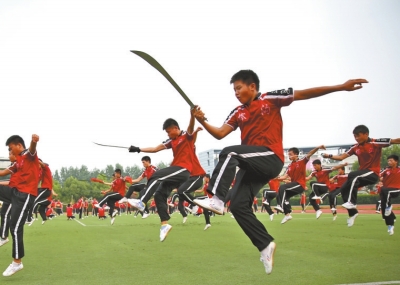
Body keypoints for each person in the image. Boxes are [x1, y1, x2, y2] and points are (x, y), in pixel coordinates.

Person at [191, 69, 367, 274]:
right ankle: (265, 245)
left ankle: (216, 198)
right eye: (234, 90)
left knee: (229, 154)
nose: (236, 93)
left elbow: (304, 93)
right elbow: (220, 133)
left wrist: (341, 87)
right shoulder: (237, 111)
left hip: (270, 157)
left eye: (239, 88)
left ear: (252, 87)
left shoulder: (270, 98)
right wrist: (201, 120)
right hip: (251, 165)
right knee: (238, 207)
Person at [127, 114, 201, 242]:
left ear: (175, 128)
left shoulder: (186, 136)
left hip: (183, 170)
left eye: (168, 132)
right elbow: (155, 149)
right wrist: (138, 149)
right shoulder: (171, 141)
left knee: (156, 175)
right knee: (159, 194)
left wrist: (192, 114)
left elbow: (190, 127)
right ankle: (164, 225)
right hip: (176, 172)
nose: (167, 135)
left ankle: (141, 202)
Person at [321, 125, 400, 227]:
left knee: (353, 175)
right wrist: (329, 155)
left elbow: (395, 141)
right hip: (362, 174)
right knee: (344, 189)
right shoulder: (355, 147)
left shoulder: (376, 142)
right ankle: (353, 213)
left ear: (366, 134)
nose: (356, 138)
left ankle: (352, 202)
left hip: (373, 173)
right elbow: (341, 157)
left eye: (358, 136)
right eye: (355, 136)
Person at [0, 134, 40, 276]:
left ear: (18, 145)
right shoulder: (18, 162)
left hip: (25, 195)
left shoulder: (29, 155)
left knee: (15, 227)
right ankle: (3, 237)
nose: (10, 152)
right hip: (15, 192)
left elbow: (32, 149)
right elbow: (3, 173)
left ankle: (17, 262)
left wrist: (33, 141)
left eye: (11, 149)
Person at [275, 146, 326, 223]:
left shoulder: (302, 161)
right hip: (294, 185)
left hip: (300, 185)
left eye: (290, 154)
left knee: (282, 187)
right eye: (288, 154)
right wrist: (274, 178)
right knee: (279, 195)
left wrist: (318, 147)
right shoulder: (289, 166)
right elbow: (284, 177)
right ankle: (287, 215)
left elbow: (309, 154)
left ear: (296, 154)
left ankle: (280, 206)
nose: (289, 156)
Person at [379, 154, 400, 235]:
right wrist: (380, 178)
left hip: (397, 189)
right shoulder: (386, 170)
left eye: (391, 160)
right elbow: (379, 175)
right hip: (385, 191)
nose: (389, 162)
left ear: (396, 161)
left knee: (385, 190)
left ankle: (389, 207)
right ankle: (390, 225)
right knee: (384, 210)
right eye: (388, 161)